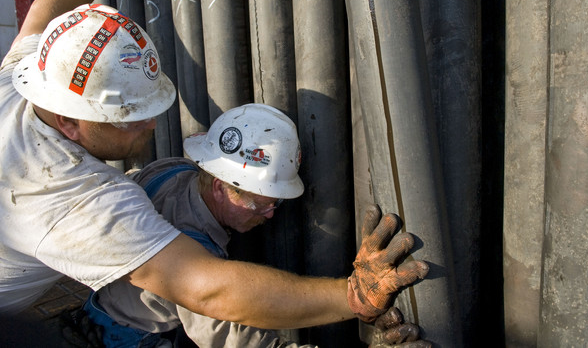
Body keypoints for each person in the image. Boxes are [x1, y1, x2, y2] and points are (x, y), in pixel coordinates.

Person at [0, 0, 428, 338]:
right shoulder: (74, 199)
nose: (151, 126)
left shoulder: (27, 75)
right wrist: (351, 296)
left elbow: (45, 8)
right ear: (69, 121)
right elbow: (206, 290)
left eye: (150, 108)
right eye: (128, 118)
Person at [83, 103, 430, 347]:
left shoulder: (172, 169)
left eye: (276, 201)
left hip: (99, 301)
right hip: (126, 336)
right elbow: (240, 343)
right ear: (221, 186)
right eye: (262, 202)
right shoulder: (191, 256)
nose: (271, 214)